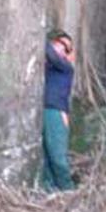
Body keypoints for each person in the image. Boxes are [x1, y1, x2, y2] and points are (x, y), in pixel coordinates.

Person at [42, 30, 76, 191]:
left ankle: (68, 188)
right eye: (57, 43)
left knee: (57, 154)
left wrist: (41, 39)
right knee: (45, 153)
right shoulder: (48, 66)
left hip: (56, 111)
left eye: (64, 47)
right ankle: (50, 187)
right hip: (44, 110)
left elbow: (52, 55)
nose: (59, 47)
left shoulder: (65, 67)